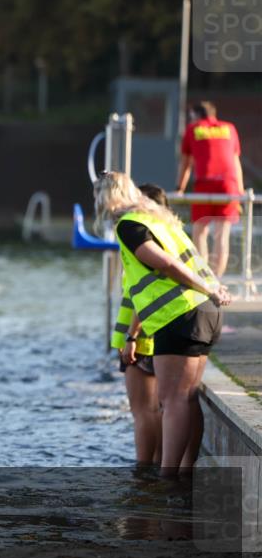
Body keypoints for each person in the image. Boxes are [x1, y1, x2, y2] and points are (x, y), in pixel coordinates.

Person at [95, 171, 230, 475]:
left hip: (178, 314)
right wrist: (211, 289)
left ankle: (167, 478)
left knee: (172, 400)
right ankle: (183, 473)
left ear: (106, 199)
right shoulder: (162, 220)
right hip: (205, 312)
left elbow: (165, 264)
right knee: (187, 396)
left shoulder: (129, 225)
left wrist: (208, 289)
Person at [111, 183, 169, 466]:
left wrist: (131, 337)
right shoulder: (166, 239)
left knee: (143, 411)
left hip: (142, 338)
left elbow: (140, 295)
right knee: (155, 409)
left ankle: (144, 471)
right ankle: (157, 465)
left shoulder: (141, 243)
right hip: (159, 334)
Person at [177, 101, 245, 279]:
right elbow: (235, 161)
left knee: (200, 231)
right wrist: (240, 190)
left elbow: (186, 164)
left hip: (205, 184)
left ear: (196, 115)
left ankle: (203, 277)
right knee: (222, 235)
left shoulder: (193, 129)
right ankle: (216, 278)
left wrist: (180, 188)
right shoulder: (229, 128)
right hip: (229, 185)